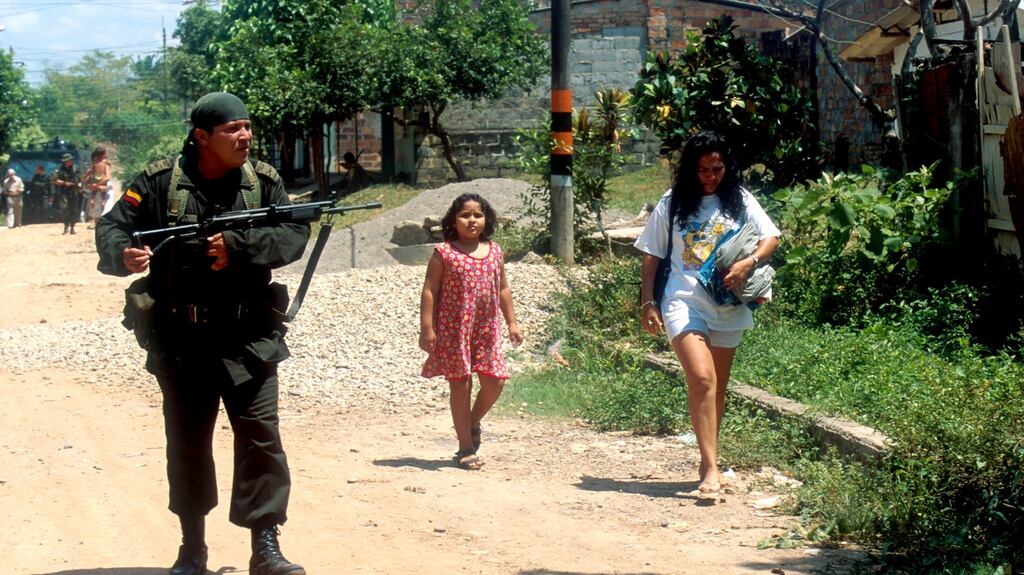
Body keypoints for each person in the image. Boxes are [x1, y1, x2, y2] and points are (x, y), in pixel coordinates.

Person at [95, 92, 309, 575]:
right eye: (234, 129)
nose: (245, 136)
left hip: (249, 336)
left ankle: (266, 547)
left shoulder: (264, 182)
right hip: (181, 339)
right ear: (202, 137)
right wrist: (123, 257)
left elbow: (295, 233)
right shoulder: (158, 184)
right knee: (189, 441)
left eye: (248, 127)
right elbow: (111, 229)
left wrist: (240, 246)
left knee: (260, 438)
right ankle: (193, 547)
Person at [634, 130, 780, 494]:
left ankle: (707, 458)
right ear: (690, 171)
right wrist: (648, 302)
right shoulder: (672, 203)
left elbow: (771, 238)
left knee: (717, 388)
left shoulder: (741, 200)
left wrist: (749, 262)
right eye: (703, 170)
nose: (711, 176)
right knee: (702, 378)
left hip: (728, 305)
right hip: (682, 300)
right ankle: (711, 467)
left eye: (717, 168)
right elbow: (652, 256)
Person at [419, 193, 524, 470]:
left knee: (495, 381)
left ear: (486, 220)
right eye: (465, 214)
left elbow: (503, 288)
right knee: (461, 384)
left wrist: (512, 322)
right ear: (454, 220)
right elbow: (430, 291)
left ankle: (473, 421)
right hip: (454, 330)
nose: (472, 219)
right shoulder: (444, 253)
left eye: (477, 215)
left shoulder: (495, 252)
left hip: (486, 328)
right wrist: (427, 329)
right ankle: (465, 446)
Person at [53, 153, 82, 235]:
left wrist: (80, 187)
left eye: (71, 160)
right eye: (69, 160)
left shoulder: (75, 169)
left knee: (74, 210)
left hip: (73, 191)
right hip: (63, 192)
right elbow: (54, 180)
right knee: (64, 208)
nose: (71, 161)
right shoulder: (59, 170)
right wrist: (64, 183)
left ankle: (72, 227)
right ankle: (66, 226)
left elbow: (79, 179)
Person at [84, 146, 113, 223]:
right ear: (103, 155)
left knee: (97, 205)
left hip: (98, 187)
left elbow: (88, 175)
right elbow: (107, 177)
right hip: (101, 186)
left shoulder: (96, 163)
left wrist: (93, 184)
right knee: (100, 206)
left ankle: (97, 223)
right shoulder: (105, 164)